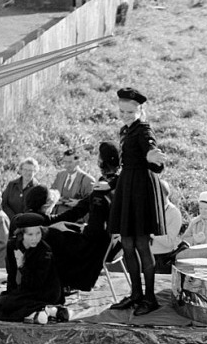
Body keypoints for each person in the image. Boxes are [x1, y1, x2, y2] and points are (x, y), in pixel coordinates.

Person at [107, 87, 166, 316]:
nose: (126, 115)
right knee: (127, 244)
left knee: (142, 244)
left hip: (140, 189)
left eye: (130, 112)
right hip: (126, 187)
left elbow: (152, 152)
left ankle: (150, 298)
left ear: (140, 110)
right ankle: (135, 294)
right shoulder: (126, 130)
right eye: (122, 111)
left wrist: (153, 157)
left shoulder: (143, 130)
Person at [43, 141, 121, 293]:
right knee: (58, 229)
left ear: (102, 161)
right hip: (113, 242)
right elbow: (82, 208)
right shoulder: (116, 182)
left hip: (98, 245)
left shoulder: (102, 188)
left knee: (52, 236)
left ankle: (63, 284)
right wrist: (54, 219)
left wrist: (77, 229)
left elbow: (94, 231)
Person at [0, 213, 63, 323]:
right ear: (21, 234)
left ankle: (45, 310)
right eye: (30, 234)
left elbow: (36, 283)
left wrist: (22, 265)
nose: (35, 238)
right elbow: (11, 274)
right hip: (25, 289)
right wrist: (11, 293)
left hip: (44, 291)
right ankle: (41, 312)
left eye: (38, 233)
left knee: (11, 305)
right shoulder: (12, 246)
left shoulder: (45, 251)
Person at [150, 180, 184, 274]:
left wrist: (152, 234)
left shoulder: (174, 213)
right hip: (144, 256)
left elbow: (170, 242)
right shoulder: (148, 209)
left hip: (162, 259)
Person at [50, 148, 95, 213]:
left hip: (75, 218)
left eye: (70, 162)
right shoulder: (60, 175)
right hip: (56, 216)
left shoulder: (88, 180)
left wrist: (79, 203)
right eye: (65, 162)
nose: (67, 165)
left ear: (78, 162)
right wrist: (55, 199)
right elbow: (51, 193)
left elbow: (91, 203)